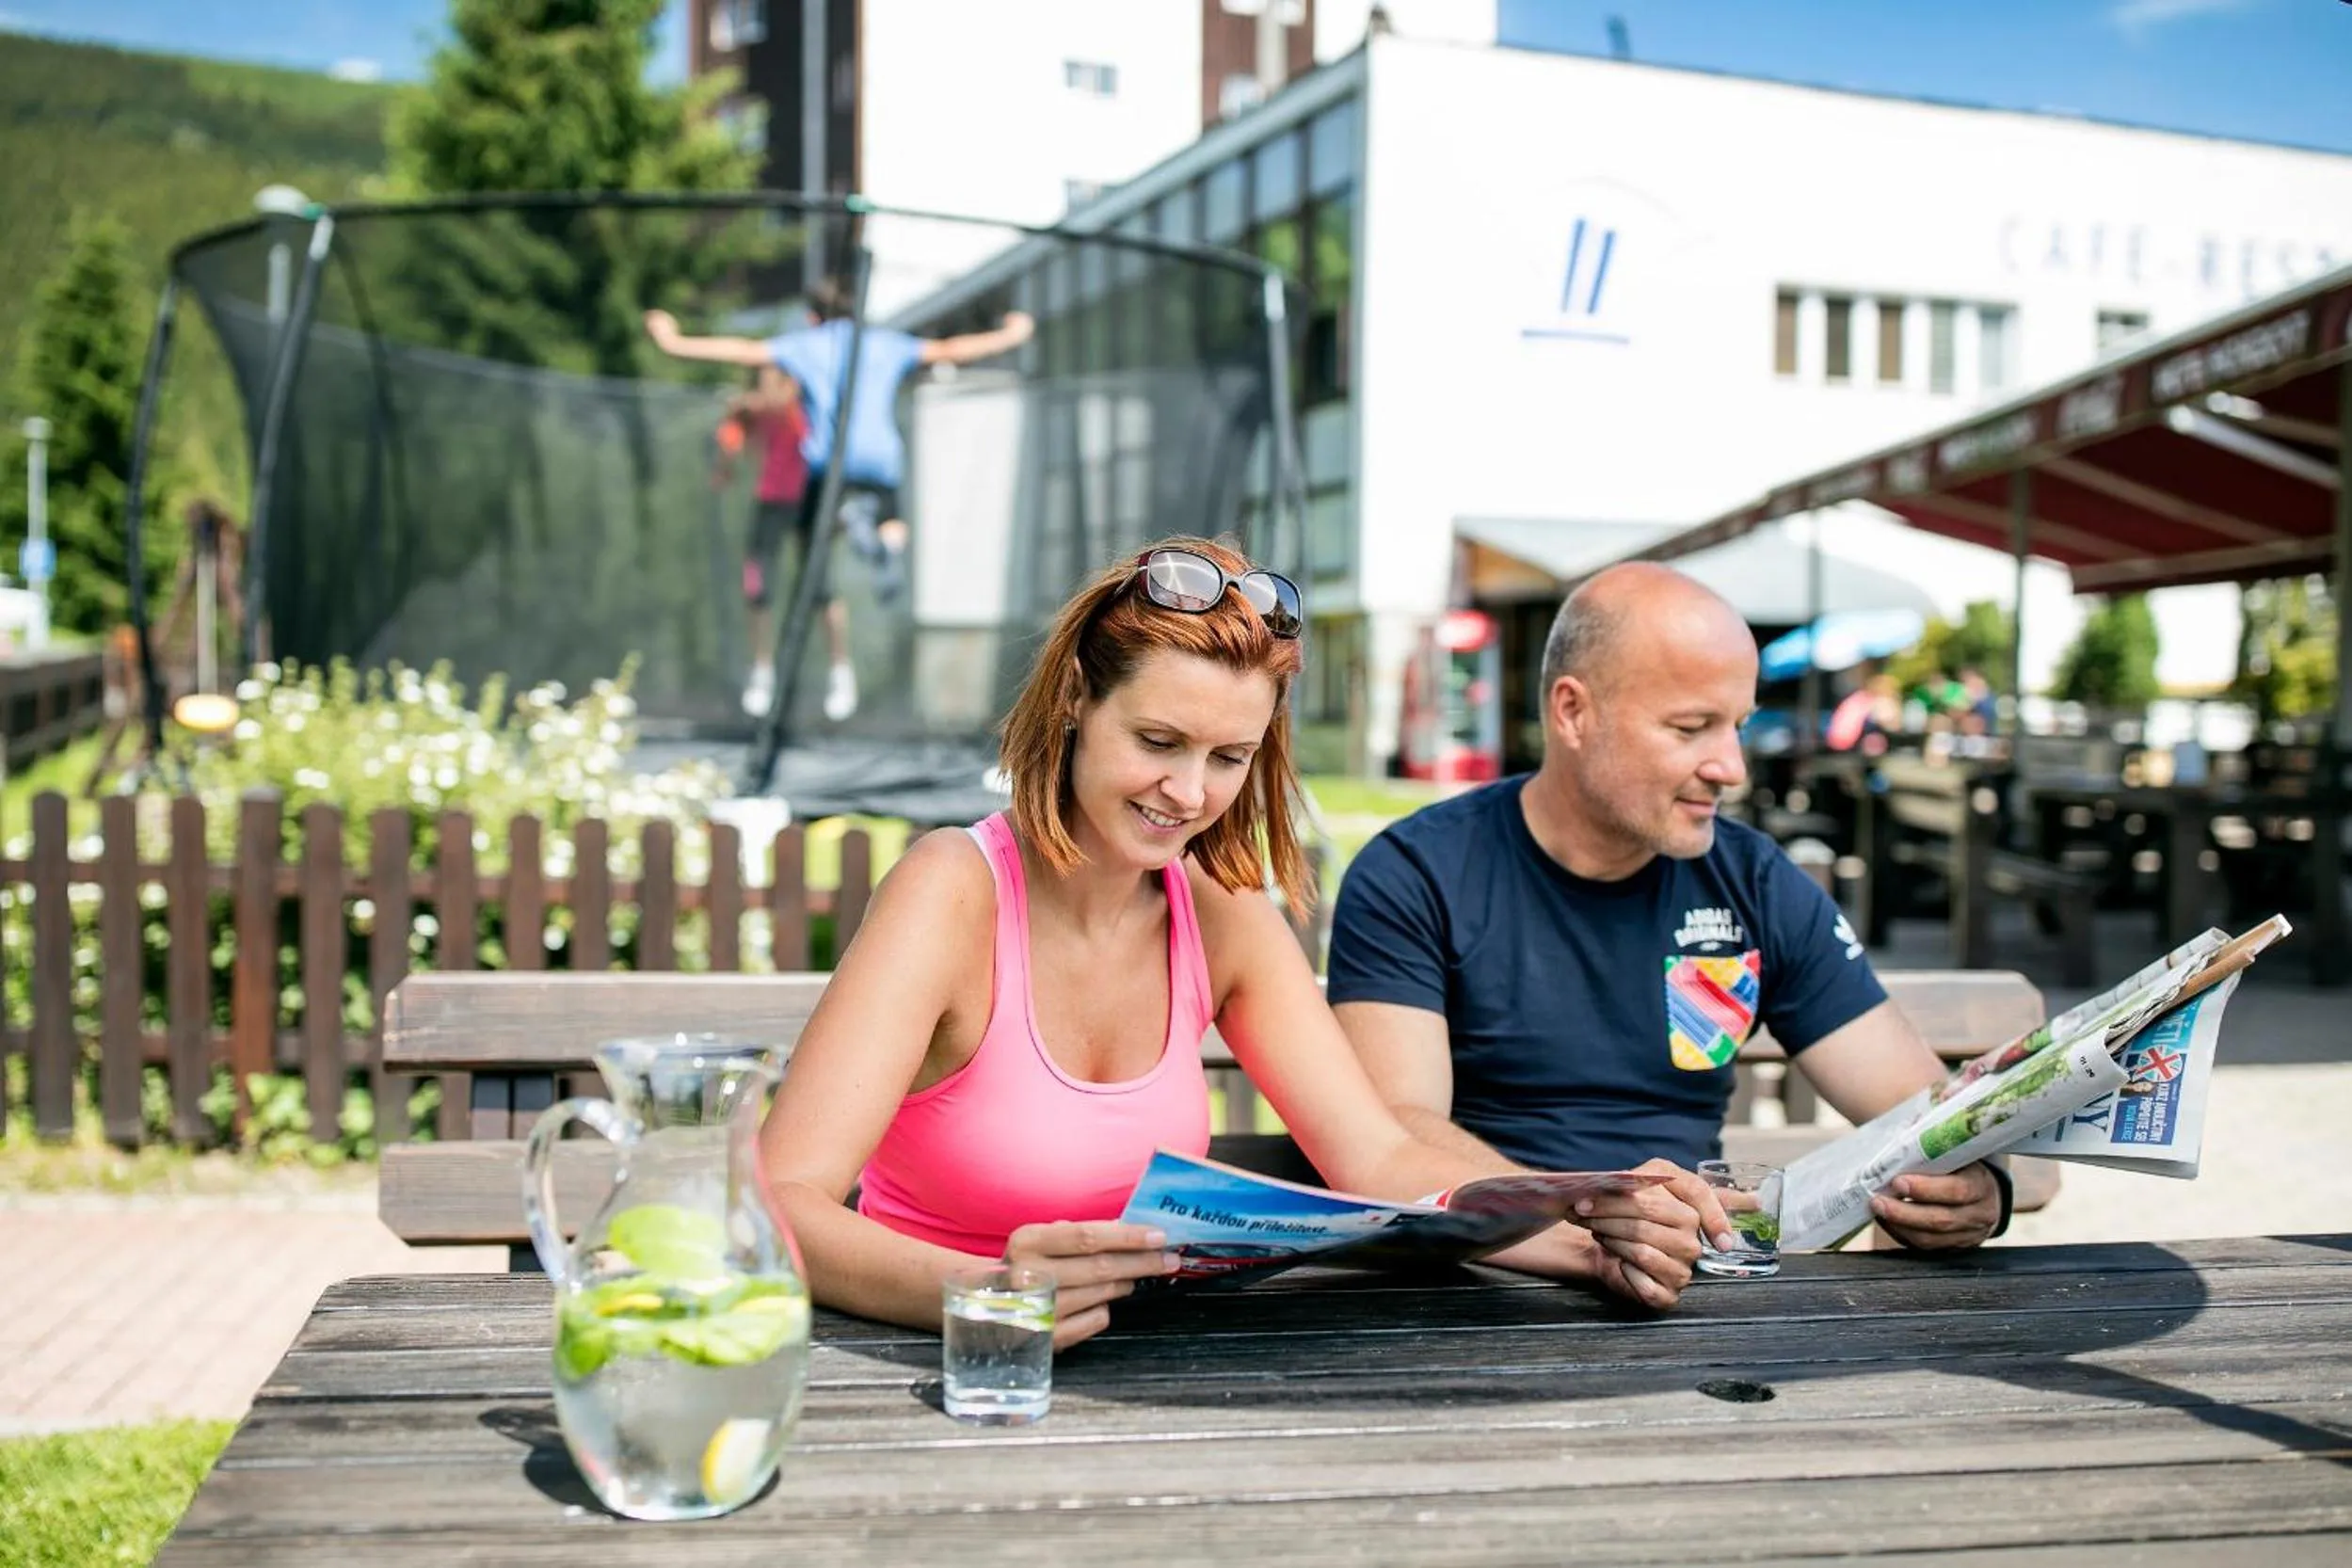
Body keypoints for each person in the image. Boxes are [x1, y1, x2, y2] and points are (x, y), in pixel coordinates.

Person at [756, 538, 1736, 1348]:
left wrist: (1577, 1231)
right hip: (929, 1361)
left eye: (1229, 757)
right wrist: (988, 1291)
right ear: (1073, 708)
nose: (1190, 793)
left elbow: (1377, 1154)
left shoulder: (1219, 911)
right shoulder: (952, 890)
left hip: (1159, 1369)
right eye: (1158, 742)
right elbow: (779, 1201)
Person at [1328, 563, 2009, 1256]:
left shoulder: (1753, 882)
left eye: (1737, 726)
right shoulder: (1417, 873)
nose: (1732, 767)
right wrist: (1593, 1229)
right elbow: (1395, 1132)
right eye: (1692, 727)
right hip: (1475, 1280)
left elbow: (1919, 1110)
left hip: (1685, 1290)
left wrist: (1976, 1186)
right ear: (1572, 712)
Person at [644, 285, 1035, 722]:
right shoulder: (885, 343)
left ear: (813, 319)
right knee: (889, 522)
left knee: (811, 559)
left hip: (828, 467)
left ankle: (849, 527)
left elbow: (741, 350)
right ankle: (882, 539)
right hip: (880, 460)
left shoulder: (806, 346)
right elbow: (950, 349)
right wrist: (1012, 335)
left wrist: (673, 341)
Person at [712, 368, 854, 720]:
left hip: (809, 501)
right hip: (771, 501)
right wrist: (729, 453)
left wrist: (747, 402)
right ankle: (762, 669)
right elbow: (732, 444)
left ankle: (840, 670)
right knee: (757, 585)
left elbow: (780, 406)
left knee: (823, 591)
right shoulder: (753, 414)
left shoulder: (805, 407)